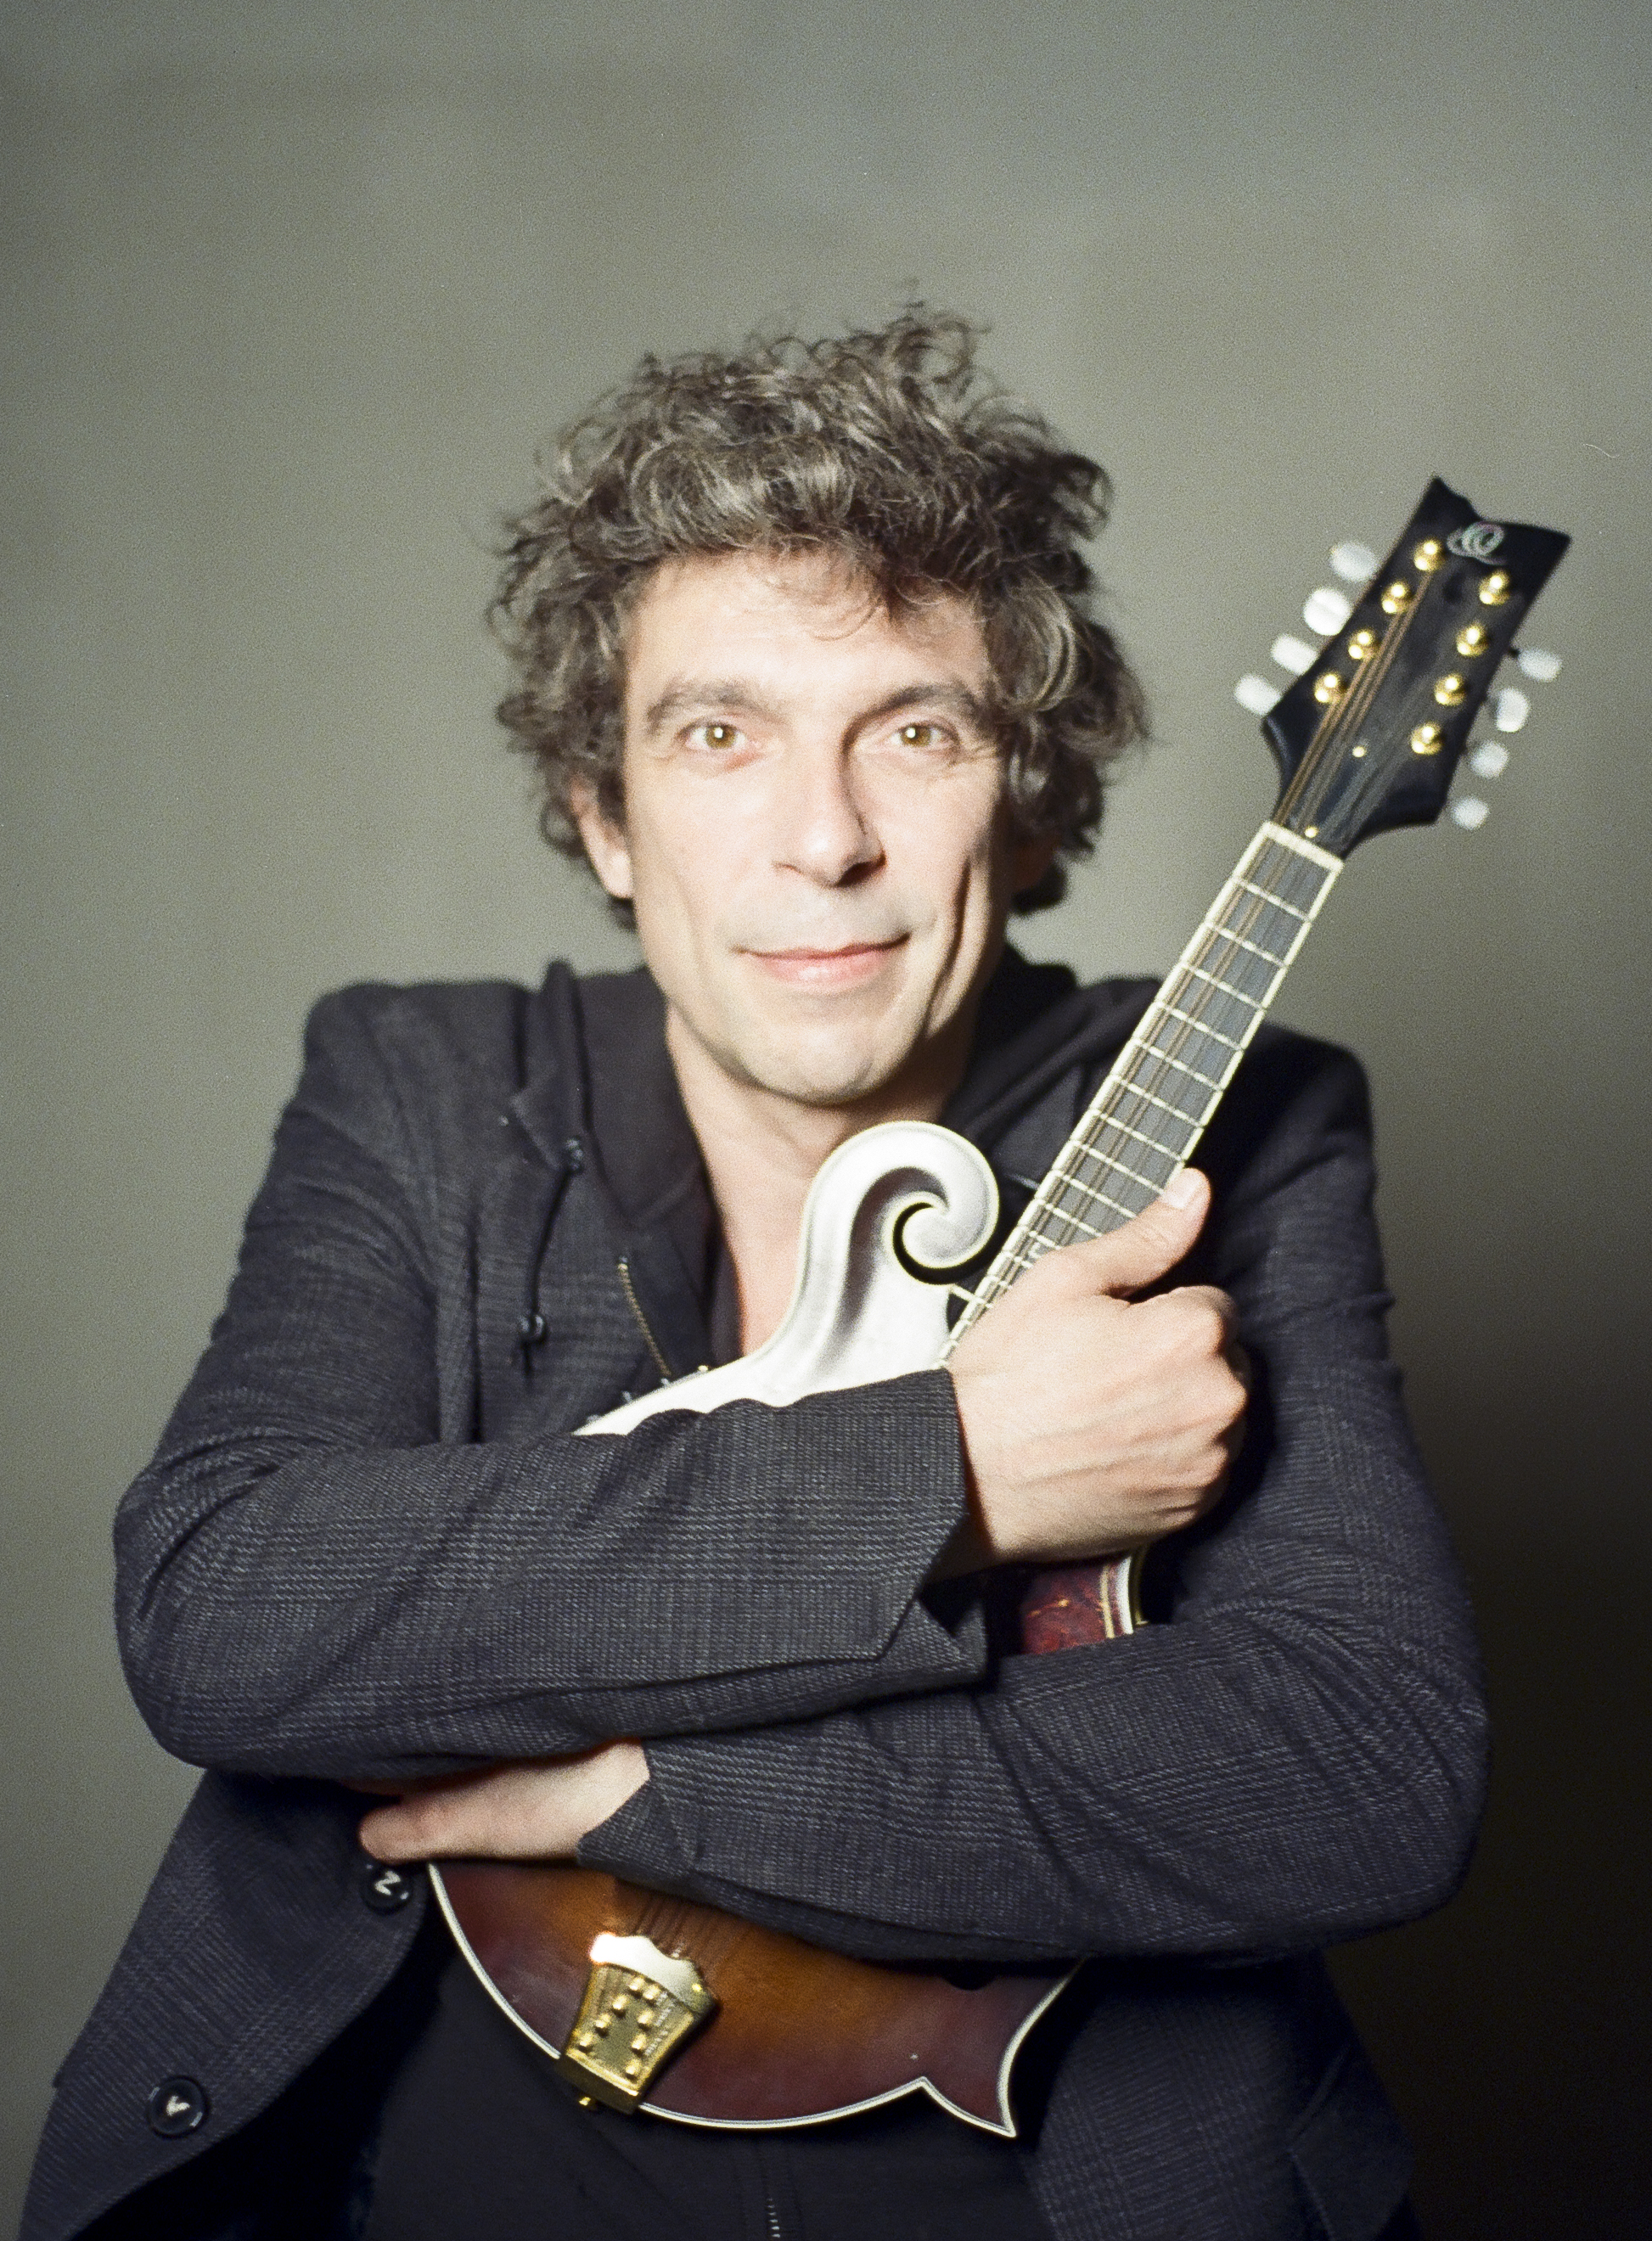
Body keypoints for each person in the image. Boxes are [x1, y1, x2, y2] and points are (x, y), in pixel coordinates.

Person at [24, 310, 1485, 2241]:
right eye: (719, 736)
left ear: (1028, 798)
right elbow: (225, 1607)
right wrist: (951, 1469)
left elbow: (1356, 1770)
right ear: (605, 816)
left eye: (917, 732)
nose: (824, 841)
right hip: (461, 2160)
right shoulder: (428, 1087)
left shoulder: (1241, 1112)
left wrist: (641, 1786)